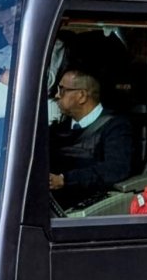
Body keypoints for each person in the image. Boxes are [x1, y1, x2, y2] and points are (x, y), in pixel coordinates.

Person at [49, 69, 134, 208]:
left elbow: (115, 169)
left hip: (93, 208)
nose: (57, 95)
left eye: (62, 90)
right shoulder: (58, 129)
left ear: (82, 96)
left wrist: (65, 180)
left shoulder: (116, 127)